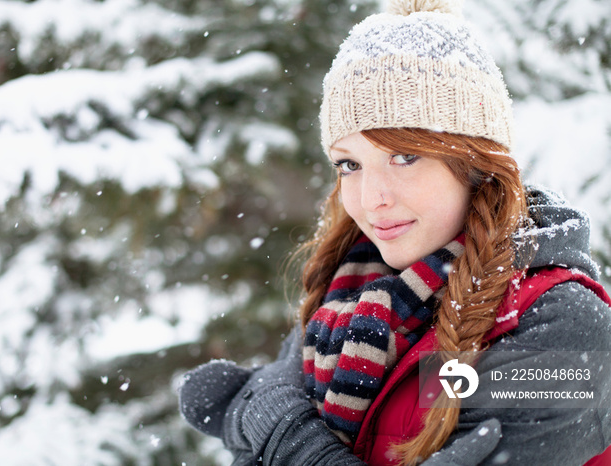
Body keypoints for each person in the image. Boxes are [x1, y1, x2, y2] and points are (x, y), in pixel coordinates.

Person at [178, 0, 611, 464]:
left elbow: (272, 406)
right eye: (350, 164)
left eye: (404, 156)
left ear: (475, 163)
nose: (371, 198)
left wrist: (283, 431)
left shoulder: (560, 324)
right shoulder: (349, 293)